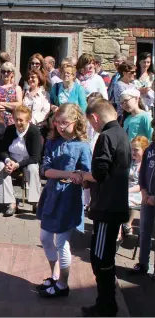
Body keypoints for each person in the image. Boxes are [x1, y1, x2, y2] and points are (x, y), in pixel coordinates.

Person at [80, 100, 130, 317]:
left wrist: (83, 177)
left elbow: (100, 173)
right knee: (104, 257)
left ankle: (106, 305)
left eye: (91, 122)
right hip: (116, 204)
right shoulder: (121, 134)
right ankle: (107, 303)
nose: (93, 127)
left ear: (95, 118)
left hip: (107, 207)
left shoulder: (106, 137)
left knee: (100, 259)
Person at [36, 103, 92, 298]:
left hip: (69, 197)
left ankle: (63, 284)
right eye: (57, 122)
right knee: (44, 238)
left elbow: (87, 175)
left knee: (62, 242)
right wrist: (70, 173)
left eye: (64, 123)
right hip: (52, 194)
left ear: (76, 122)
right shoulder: (52, 141)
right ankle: (54, 274)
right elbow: (46, 170)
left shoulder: (83, 146)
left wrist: (82, 179)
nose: (60, 127)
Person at [0, 106, 42, 217]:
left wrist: (18, 165)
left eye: (21, 120)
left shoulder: (34, 131)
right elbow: (2, 150)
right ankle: (11, 203)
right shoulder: (10, 130)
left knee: (33, 168)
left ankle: (35, 202)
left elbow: (35, 157)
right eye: (16, 119)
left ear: (28, 120)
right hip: (12, 159)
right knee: (0, 166)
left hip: (27, 160)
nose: (18, 122)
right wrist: (8, 161)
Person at [132, 127, 155, 275]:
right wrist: (145, 192)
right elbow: (142, 174)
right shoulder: (150, 149)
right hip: (147, 198)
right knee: (144, 230)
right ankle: (142, 263)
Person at [120, 136, 149, 239]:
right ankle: (120, 226)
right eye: (131, 149)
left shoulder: (145, 165)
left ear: (144, 149)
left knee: (124, 199)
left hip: (138, 191)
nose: (133, 152)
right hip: (126, 188)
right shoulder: (130, 162)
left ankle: (127, 224)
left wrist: (126, 190)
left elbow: (141, 185)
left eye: (136, 149)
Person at [0, 62, 23, 126]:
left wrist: (1, 103)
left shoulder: (17, 88)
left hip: (12, 121)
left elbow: (19, 105)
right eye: (3, 71)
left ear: (12, 73)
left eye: (8, 71)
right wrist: (11, 106)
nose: (6, 73)